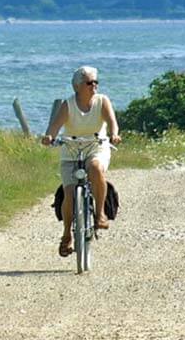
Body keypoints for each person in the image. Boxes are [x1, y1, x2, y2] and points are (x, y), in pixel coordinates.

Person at [41, 65, 122, 258]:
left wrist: (114, 134)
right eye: (89, 82)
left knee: (95, 167)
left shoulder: (102, 101)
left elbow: (112, 122)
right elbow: (54, 127)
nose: (93, 85)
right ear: (77, 86)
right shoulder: (68, 105)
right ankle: (67, 234)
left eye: (96, 82)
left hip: (96, 146)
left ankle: (100, 213)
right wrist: (49, 137)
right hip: (71, 150)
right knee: (69, 193)